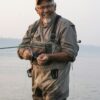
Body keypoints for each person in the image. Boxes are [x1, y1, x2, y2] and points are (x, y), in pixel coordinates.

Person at [17, 0, 79, 100]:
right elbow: (21, 48)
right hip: (37, 87)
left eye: (49, 6)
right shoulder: (32, 27)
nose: (45, 10)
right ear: (36, 10)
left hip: (56, 89)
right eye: (41, 7)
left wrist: (49, 57)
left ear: (55, 7)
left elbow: (70, 54)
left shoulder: (66, 26)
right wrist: (25, 53)